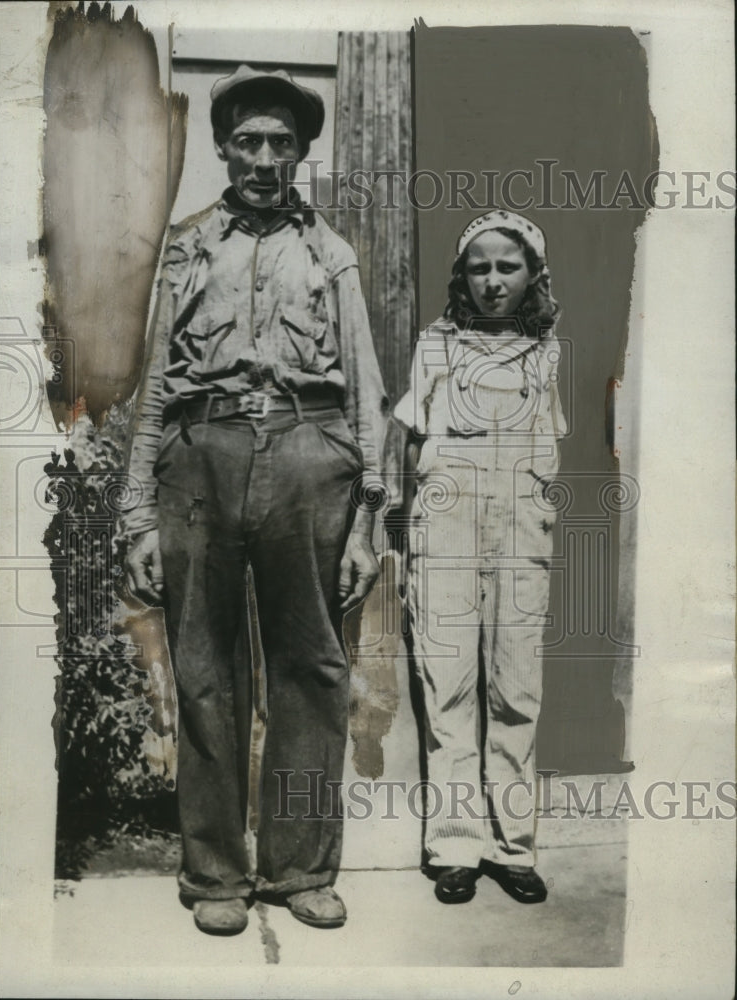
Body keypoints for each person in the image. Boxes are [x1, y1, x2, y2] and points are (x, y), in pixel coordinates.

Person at [123, 65, 388, 936]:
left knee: (311, 669)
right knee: (205, 667)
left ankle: (300, 869)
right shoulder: (189, 247)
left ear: (302, 152)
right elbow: (156, 383)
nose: (265, 158)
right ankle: (215, 876)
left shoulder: (331, 252)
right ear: (225, 149)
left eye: (282, 143)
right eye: (248, 142)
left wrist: (369, 520)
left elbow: (365, 390)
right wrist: (135, 511)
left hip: (312, 455)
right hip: (200, 456)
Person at [394, 210, 566, 906]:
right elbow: (406, 439)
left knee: (515, 684)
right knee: (449, 681)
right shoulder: (434, 348)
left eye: (509, 266)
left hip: (520, 524)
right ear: (462, 277)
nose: (494, 281)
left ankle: (513, 846)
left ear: (533, 275)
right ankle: (457, 846)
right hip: (448, 522)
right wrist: (404, 523)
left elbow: (551, 446)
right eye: (480, 267)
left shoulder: (549, 352)